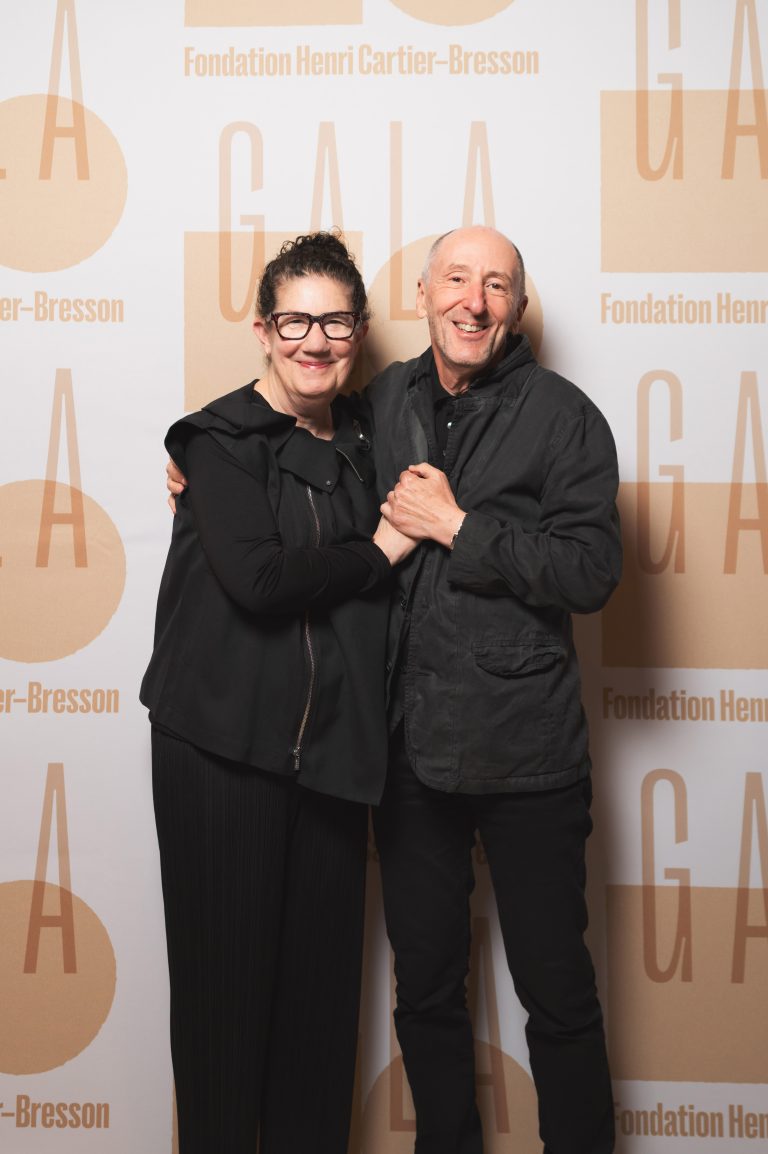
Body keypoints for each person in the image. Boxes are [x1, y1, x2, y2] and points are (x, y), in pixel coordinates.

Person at [168, 226, 622, 1154]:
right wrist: (207, 470)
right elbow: (290, 445)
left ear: (518, 308)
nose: (474, 300)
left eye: (497, 285)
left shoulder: (567, 416)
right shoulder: (379, 404)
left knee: (559, 996)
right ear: (422, 294)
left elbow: (591, 570)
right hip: (407, 757)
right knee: (425, 995)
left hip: (527, 753)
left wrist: (461, 527)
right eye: (457, 278)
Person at [141, 231, 416, 1154]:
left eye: (336, 321)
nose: (315, 340)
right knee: (225, 1012)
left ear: (360, 331)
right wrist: (376, 553)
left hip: (335, 759)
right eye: (295, 319)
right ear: (263, 329)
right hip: (220, 748)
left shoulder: (374, 443)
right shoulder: (218, 440)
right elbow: (259, 582)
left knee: (317, 1023)